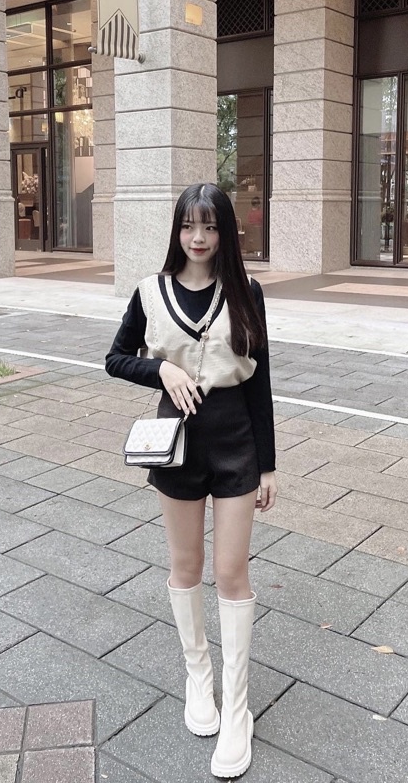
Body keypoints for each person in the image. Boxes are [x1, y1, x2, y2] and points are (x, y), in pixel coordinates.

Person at [106, 182, 278, 778]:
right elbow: (115, 357)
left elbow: (260, 382)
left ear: (226, 231)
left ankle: (237, 709)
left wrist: (269, 465)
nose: (198, 238)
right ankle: (198, 677)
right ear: (177, 230)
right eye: (188, 226)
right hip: (176, 443)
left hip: (236, 443)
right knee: (186, 567)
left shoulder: (247, 292)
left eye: (209, 227)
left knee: (231, 572)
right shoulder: (150, 292)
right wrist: (160, 371)